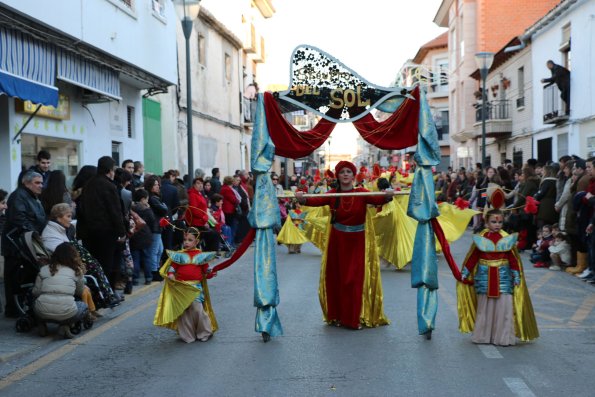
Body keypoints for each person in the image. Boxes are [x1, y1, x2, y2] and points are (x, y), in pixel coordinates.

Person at [295, 161, 393, 329]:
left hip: (357, 241)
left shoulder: (362, 193)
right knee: (337, 278)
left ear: (353, 175)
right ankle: (338, 316)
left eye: (349, 171)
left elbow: (379, 199)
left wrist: (388, 194)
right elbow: (313, 201)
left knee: (353, 280)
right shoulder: (332, 194)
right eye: (342, 172)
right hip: (337, 241)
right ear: (338, 176)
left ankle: (352, 318)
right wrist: (301, 197)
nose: (346, 174)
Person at [458, 207, 538, 346]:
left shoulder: (506, 238)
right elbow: (473, 257)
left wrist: (516, 274)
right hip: (485, 276)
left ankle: (503, 337)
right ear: (487, 222)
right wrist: (465, 272)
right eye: (494, 222)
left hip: (503, 276)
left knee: (504, 307)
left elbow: (513, 259)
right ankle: (483, 336)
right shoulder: (481, 238)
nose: (497, 225)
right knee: (485, 307)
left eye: (500, 222)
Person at [41, 203, 114, 314]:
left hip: (68, 259)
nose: (70, 220)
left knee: (94, 265)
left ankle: (104, 298)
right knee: (92, 268)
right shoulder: (51, 232)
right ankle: (102, 300)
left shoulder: (63, 229)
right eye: (68, 216)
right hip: (64, 262)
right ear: (58, 217)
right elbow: (62, 253)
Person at [153, 227, 218, 343]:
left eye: (190, 240)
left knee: (197, 309)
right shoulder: (178, 256)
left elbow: (206, 272)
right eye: (185, 240)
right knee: (185, 311)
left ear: (196, 242)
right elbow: (171, 269)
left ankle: (204, 332)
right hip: (181, 288)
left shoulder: (201, 256)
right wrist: (171, 275)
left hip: (195, 287)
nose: (186, 242)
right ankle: (188, 335)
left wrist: (211, 273)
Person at [76, 156, 127, 291]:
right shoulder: (109, 186)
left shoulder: (88, 185)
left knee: (93, 264)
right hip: (106, 232)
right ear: (110, 170)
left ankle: (95, 290)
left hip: (89, 232)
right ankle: (106, 292)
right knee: (106, 263)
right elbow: (115, 211)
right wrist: (121, 232)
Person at [1, 171, 46, 317]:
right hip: (17, 245)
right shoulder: (19, 196)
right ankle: (13, 310)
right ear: (26, 183)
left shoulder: (32, 197)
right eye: (37, 183)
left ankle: (22, 307)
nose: (41, 186)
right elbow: (20, 220)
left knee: (25, 277)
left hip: (26, 244)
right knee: (14, 278)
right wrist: (35, 235)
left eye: (41, 182)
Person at [33, 242, 89, 339]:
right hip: (66, 313)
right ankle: (65, 324)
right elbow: (79, 292)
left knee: (35, 303)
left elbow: (35, 292)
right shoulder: (76, 271)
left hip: (41, 312)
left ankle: (41, 323)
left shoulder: (44, 269)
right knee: (83, 306)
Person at [130, 189, 155, 285]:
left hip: (134, 236)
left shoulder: (131, 208)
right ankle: (148, 277)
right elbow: (152, 221)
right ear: (143, 199)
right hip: (145, 237)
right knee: (146, 258)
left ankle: (135, 279)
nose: (148, 201)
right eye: (147, 199)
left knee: (135, 258)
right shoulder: (146, 209)